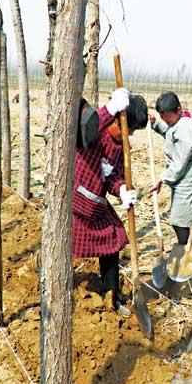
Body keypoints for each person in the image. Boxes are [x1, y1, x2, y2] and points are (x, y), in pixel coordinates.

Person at [72, 88, 148, 317]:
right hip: (73, 201)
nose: (130, 134)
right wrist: (108, 110)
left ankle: (111, 295)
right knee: (64, 247)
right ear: (118, 119)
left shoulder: (120, 147)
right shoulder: (95, 127)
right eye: (130, 128)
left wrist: (122, 189)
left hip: (95, 203)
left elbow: (114, 176)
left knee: (114, 238)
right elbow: (85, 133)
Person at [149, 91, 192, 246]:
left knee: (181, 220)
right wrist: (155, 124)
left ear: (178, 110)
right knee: (182, 219)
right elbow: (170, 132)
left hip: (190, 180)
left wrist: (162, 177)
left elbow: (180, 163)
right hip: (182, 180)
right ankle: (186, 245)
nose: (165, 120)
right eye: (162, 117)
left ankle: (186, 248)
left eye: (167, 117)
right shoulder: (178, 123)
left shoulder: (186, 128)